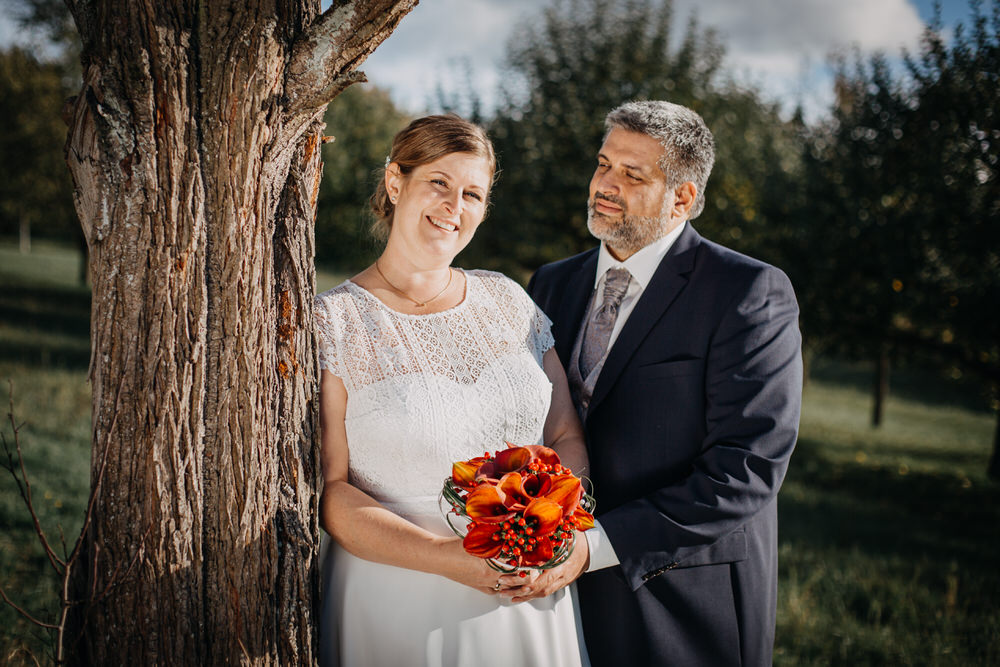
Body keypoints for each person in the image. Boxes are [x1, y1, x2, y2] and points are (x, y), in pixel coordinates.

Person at [510, 100, 803, 665]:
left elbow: (747, 469)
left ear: (684, 199)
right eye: (603, 164)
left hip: (683, 595)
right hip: (552, 595)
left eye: (632, 174)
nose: (605, 184)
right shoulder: (552, 283)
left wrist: (594, 547)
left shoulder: (747, 293)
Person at [314, 114, 591, 667]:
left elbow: (564, 434)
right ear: (396, 183)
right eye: (438, 182)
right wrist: (448, 557)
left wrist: (567, 536)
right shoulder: (334, 321)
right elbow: (333, 491)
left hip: (532, 595)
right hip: (400, 596)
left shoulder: (509, 301)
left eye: (473, 194)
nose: (454, 207)